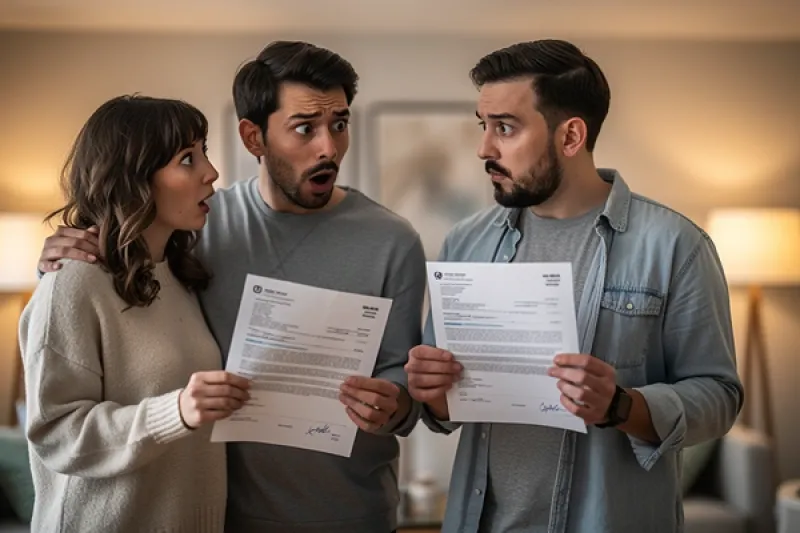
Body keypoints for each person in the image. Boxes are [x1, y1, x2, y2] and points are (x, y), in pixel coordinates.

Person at [36, 41, 427, 533]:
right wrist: (57, 265)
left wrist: (395, 403)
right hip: (224, 517)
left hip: (356, 516)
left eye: (340, 124)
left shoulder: (394, 240)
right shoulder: (193, 229)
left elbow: (406, 390)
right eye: (305, 128)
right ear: (253, 137)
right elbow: (104, 298)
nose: (329, 146)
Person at [405, 39, 744, 533]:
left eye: (506, 127)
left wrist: (623, 406)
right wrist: (431, 392)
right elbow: (446, 406)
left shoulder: (675, 244)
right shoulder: (465, 242)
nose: (484, 148)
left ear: (571, 137)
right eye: (484, 126)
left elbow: (719, 397)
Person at [19, 95, 252, 532]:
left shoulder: (181, 275)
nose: (211, 172)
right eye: (188, 158)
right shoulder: (75, 280)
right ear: (134, 179)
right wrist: (176, 411)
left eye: (204, 152)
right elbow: (57, 434)